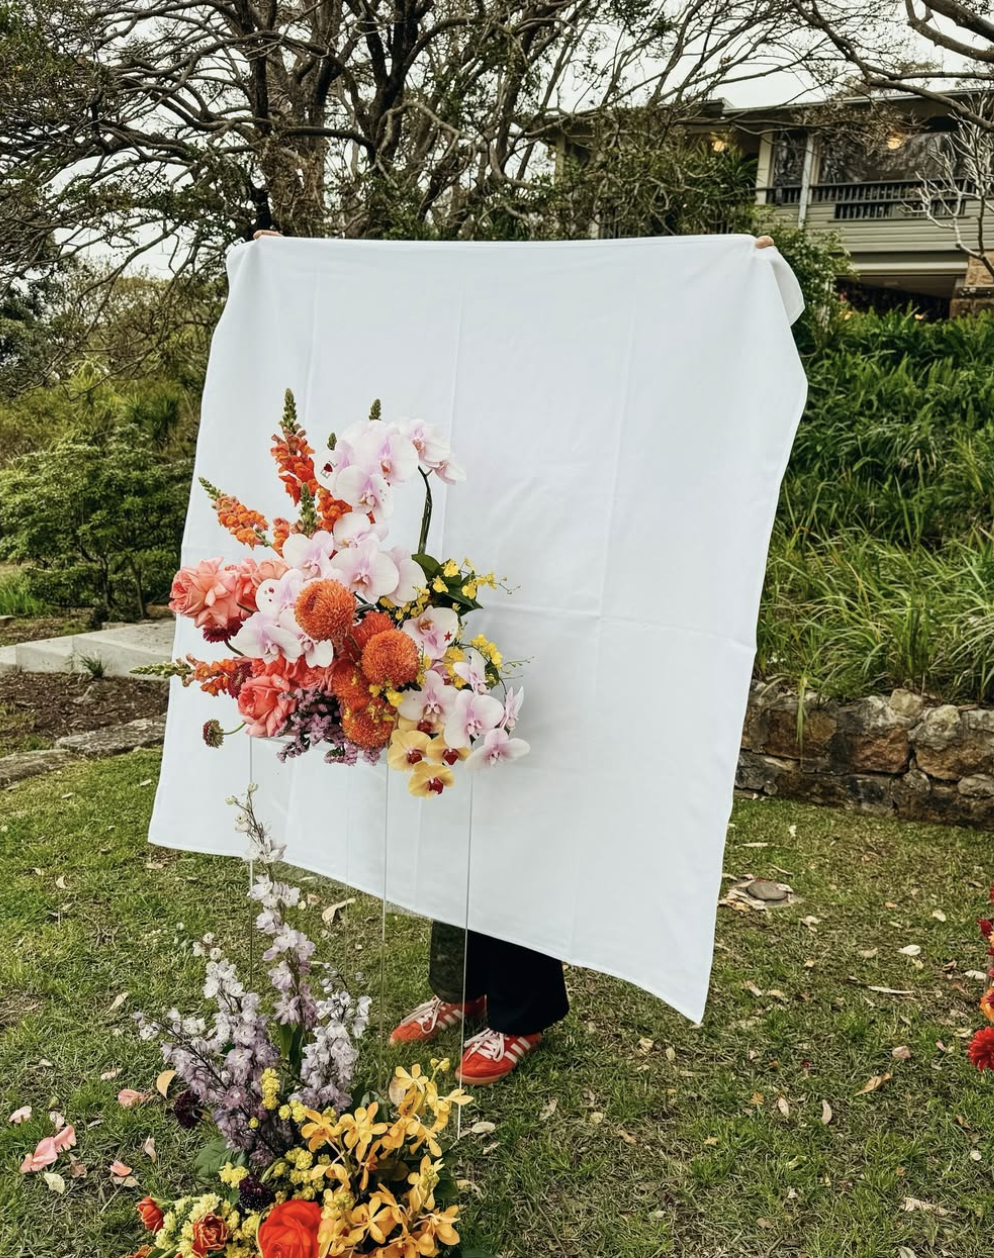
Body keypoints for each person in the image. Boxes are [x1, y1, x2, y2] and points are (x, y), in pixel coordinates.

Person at [251, 228, 776, 1085]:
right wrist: (287, 271)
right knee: (448, 805)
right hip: (441, 613)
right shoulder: (444, 407)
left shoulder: (585, 388)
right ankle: (464, 988)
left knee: (520, 816)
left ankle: (526, 1007)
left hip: (551, 611)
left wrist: (729, 278)